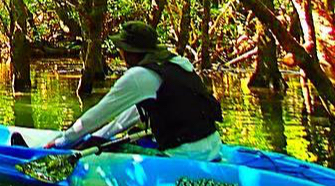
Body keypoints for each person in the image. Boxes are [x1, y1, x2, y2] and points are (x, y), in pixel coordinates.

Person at [45, 21, 222, 160]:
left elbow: (97, 116)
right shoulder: (178, 63)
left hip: (184, 157)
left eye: (121, 49)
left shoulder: (139, 76)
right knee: (118, 139)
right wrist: (98, 137)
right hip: (213, 149)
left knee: (108, 150)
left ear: (130, 53)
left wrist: (63, 142)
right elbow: (133, 115)